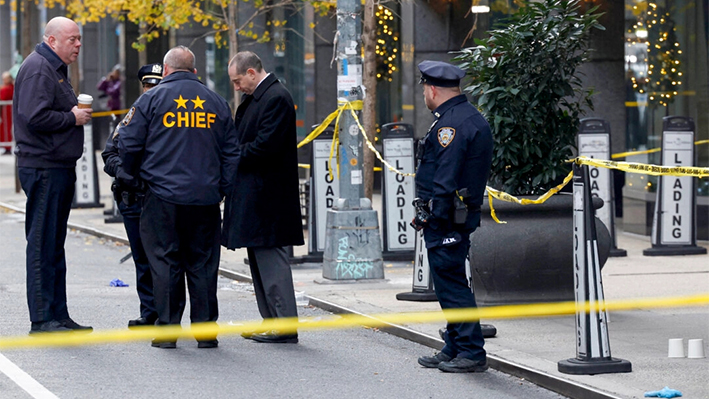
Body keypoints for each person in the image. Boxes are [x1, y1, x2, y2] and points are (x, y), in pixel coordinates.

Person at [118, 46, 238, 349]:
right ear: (195, 72)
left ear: (166, 71)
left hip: (162, 197)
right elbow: (231, 153)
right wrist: (222, 188)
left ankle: (168, 330)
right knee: (203, 264)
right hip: (205, 199)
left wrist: (133, 178)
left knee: (165, 262)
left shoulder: (151, 99)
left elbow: (129, 144)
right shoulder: (217, 102)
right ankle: (206, 332)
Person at [12, 16, 93, 334]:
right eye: (72, 39)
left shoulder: (54, 68)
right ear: (51, 40)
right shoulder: (38, 68)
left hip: (57, 166)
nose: (77, 44)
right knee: (43, 243)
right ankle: (43, 317)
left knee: (54, 244)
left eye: (79, 39)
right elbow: (33, 116)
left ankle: (59, 314)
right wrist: (70, 118)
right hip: (43, 166)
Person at [412, 60, 492, 373]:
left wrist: (433, 215)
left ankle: (471, 351)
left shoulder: (451, 124)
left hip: (447, 218)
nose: (423, 95)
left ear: (432, 89)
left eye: (423, 89)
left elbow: (446, 176)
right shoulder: (463, 117)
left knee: (453, 284)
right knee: (449, 282)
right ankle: (455, 345)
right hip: (454, 216)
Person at [222, 51, 304, 344]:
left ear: (252, 73)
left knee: (272, 262)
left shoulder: (276, 98)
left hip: (268, 198)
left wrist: (231, 156)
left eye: (238, 80)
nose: (236, 87)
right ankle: (272, 320)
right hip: (257, 195)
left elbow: (264, 147)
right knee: (259, 262)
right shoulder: (259, 98)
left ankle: (283, 324)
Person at [102, 63, 186, 329]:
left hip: (164, 198)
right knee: (142, 258)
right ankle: (149, 309)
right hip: (134, 198)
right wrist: (125, 173)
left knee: (167, 258)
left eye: (156, 86)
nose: (151, 91)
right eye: (148, 86)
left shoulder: (175, 120)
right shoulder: (132, 115)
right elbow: (109, 154)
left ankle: (168, 314)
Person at [0, 71, 14, 153]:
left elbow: (3, 96)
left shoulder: (10, 87)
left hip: (8, 111)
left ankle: (7, 147)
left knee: (7, 128)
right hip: (4, 111)